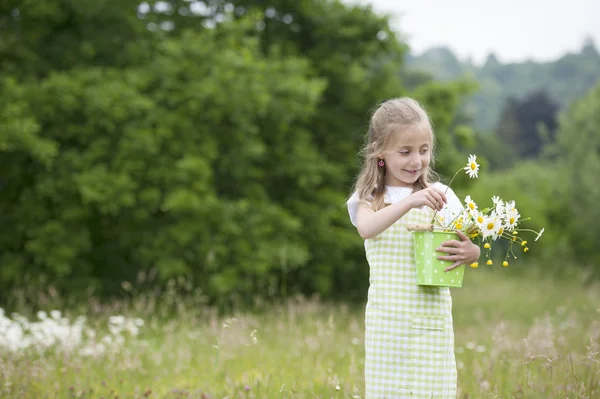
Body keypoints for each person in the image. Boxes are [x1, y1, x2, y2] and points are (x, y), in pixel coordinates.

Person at [347, 97, 480, 398]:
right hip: (388, 325)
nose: (416, 161)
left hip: (431, 322)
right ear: (379, 152)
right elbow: (367, 229)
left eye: (423, 150)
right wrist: (410, 201)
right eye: (405, 152)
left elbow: (469, 241)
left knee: (432, 390)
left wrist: (473, 253)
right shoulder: (368, 197)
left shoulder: (441, 195)